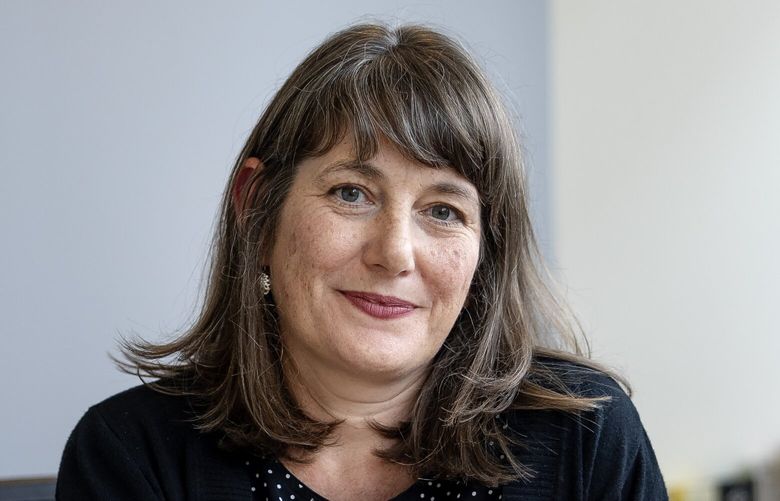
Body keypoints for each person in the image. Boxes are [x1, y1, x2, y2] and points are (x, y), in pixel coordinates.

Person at [56, 23, 667, 500]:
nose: (394, 253)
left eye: (443, 211)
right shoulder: (132, 454)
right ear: (257, 208)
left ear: (485, 250)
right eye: (352, 193)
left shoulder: (587, 439)